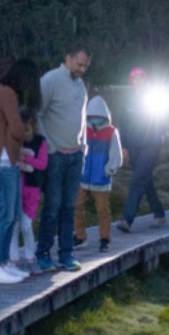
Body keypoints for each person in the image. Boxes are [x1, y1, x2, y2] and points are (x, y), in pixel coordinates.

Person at [0, 57, 40, 284]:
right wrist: (21, 133)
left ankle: (2, 264)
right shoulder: (9, 94)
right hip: (2, 164)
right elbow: (16, 128)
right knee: (4, 216)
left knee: (7, 217)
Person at [34, 43, 90, 274]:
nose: (82, 69)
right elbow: (37, 113)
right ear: (68, 58)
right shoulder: (49, 81)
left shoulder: (80, 86)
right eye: (79, 64)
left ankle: (66, 254)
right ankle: (43, 253)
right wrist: (49, 145)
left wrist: (83, 144)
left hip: (75, 155)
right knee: (53, 206)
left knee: (69, 207)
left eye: (86, 66)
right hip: (56, 156)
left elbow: (82, 117)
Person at [117, 67, 167, 233]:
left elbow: (161, 118)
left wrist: (162, 135)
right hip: (133, 145)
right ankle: (159, 213)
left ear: (146, 80)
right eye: (135, 79)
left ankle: (127, 219)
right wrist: (123, 146)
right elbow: (122, 125)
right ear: (131, 81)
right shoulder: (127, 100)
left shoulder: (153, 98)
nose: (139, 82)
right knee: (145, 180)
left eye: (141, 78)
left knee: (138, 179)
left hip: (151, 144)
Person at [73, 94, 123, 254]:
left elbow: (117, 155)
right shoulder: (83, 129)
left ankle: (104, 239)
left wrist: (108, 170)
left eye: (98, 116)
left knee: (103, 210)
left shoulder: (111, 132)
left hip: (101, 179)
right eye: (91, 116)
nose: (94, 119)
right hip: (82, 177)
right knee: (76, 206)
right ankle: (80, 236)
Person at [11, 107, 48, 264]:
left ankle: (30, 255)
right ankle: (13, 257)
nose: (25, 133)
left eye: (27, 128)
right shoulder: (13, 141)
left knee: (26, 225)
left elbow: (42, 163)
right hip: (15, 188)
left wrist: (26, 159)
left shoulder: (40, 141)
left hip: (32, 189)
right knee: (14, 225)